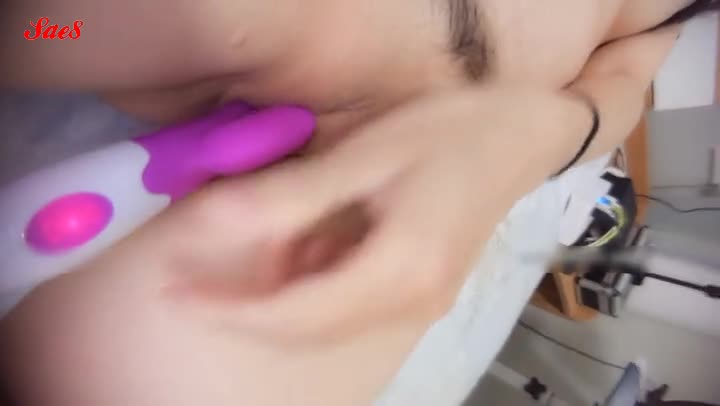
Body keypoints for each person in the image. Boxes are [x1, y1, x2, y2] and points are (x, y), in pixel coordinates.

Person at [1, 0, 718, 405]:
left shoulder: (668, 21)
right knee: (49, 22)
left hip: (407, 140)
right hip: (308, 21)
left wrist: (512, 146)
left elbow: (621, 91)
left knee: (135, 371)